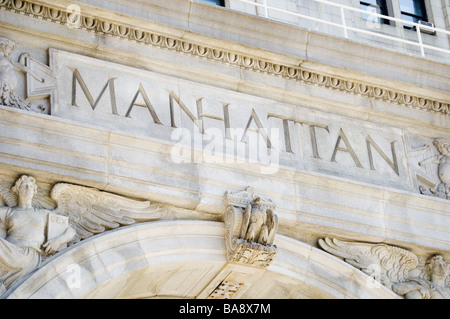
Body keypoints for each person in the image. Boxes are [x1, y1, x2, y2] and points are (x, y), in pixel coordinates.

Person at [0, 175, 76, 292]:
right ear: (17, 190)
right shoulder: (8, 212)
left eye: (31, 186)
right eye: (24, 186)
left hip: (30, 255)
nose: (28, 188)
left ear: (35, 191)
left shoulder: (43, 214)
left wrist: (58, 241)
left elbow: (71, 231)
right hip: (10, 251)